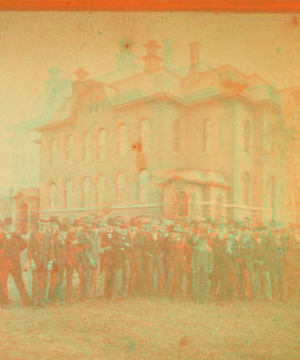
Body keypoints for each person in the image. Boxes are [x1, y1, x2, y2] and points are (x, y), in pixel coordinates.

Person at [0, 219, 31, 307]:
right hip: (4, 263)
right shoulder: (1, 235)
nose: (7, 226)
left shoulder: (16, 235)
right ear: (3, 226)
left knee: (19, 281)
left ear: (11, 225)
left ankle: (26, 300)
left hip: (15, 262)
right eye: (6, 225)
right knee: (2, 282)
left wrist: (16, 251)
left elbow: (24, 245)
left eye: (9, 224)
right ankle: (4, 302)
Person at [193, 229, 214, 305]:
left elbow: (211, 260)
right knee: (197, 284)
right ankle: (198, 299)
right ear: (200, 241)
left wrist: (211, 269)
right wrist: (194, 268)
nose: (203, 242)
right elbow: (194, 259)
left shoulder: (209, 249)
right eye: (202, 240)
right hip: (198, 268)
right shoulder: (196, 248)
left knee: (206, 284)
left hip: (206, 269)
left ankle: (205, 299)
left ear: (207, 241)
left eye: (205, 240)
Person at [145, 220, 165, 297]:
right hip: (151, 257)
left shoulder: (161, 236)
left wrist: (161, 254)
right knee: (150, 274)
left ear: (158, 228)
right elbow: (145, 248)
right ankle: (150, 292)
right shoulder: (147, 236)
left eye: (156, 227)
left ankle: (161, 291)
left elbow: (164, 248)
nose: (154, 229)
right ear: (151, 228)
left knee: (161, 274)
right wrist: (148, 254)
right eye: (153, 227)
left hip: (159, 257)